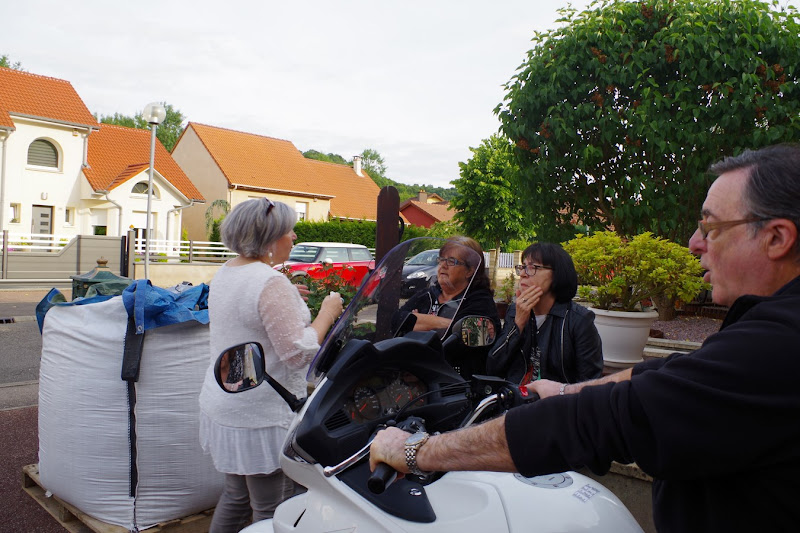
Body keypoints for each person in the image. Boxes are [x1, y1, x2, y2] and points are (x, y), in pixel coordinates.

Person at [370, 143, 800, 532]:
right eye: (443, 259)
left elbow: (601, 412)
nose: (693, 244)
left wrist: (417, 452)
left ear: (777, 237)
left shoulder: (514, 311)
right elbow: (663, 372)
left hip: (540, 444)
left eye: (710, 228)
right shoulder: (433, 296)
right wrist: (522, 329)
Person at [198, 197, 343, 532]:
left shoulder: (229, 271)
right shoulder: (269, 282)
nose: (293, 237)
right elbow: (299, 353)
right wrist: (328, 312)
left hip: (227, 402)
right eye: (288, 231)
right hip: (259, 415)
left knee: (235, 497)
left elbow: (247, 314)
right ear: (270, 237)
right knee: (269, 510)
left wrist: (287, 295)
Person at [486, 242, 602, 385]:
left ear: (556, 274)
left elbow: (589, 384)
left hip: (557, 403)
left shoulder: (578, 320)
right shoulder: (515, 311)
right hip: (516, 400)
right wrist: (518, 325)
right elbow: (493, 366)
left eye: (532, 267)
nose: (522, 274)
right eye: (522, 267)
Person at [392, 236, 501, 377]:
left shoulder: (481, 302)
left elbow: (462, 341)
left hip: (458, 383)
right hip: (418, 376)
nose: (443, 265)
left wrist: (420, 320)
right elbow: (396, 321)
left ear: (469, 271)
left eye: (451, 261)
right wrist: (449, 324)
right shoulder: (427, 295)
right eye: (442, 259)